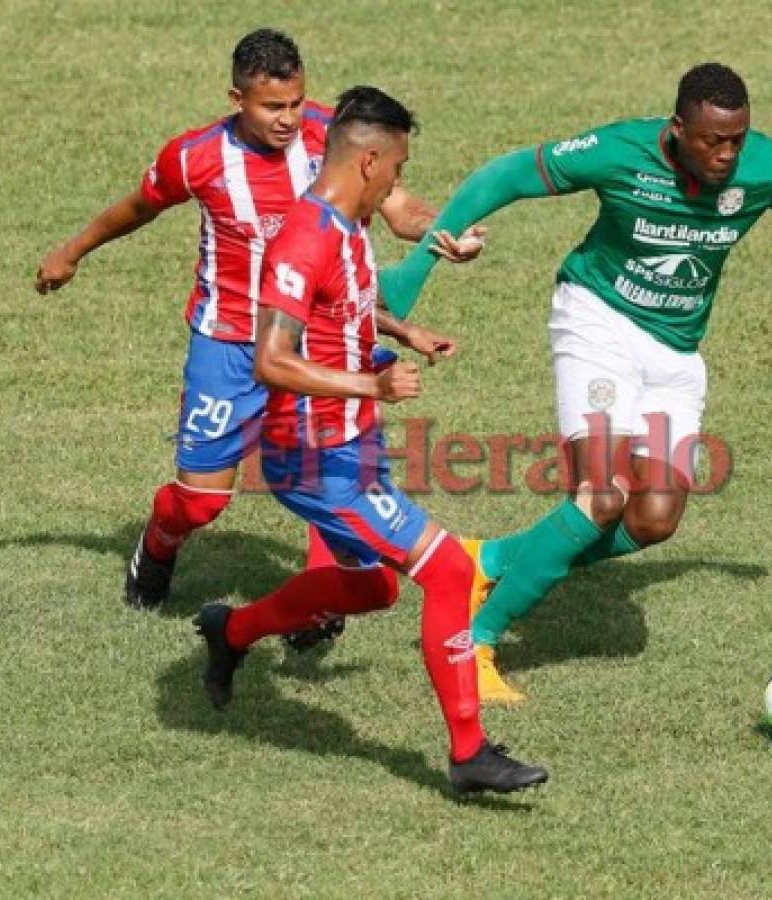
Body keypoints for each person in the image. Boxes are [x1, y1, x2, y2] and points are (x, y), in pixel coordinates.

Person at [380, 63, 772, 702]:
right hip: (596, 324)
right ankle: (475, 641)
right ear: (678, 129)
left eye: (737, 138)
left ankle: (492, 561)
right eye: (712, 140)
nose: (727, 154)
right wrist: (415, 268)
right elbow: (507, 175)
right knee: (601, 496)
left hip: (676, 353)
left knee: (654, 518)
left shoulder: (767, 168)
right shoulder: (620, 151)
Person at [33, 28, 484, 612]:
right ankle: (158, 544)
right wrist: (72, 251)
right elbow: (139, 206)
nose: (289, 119)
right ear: (236, 99)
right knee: (202, 502)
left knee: (331, 469)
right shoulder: (196, 158)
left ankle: (325, 601)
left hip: (311, 341)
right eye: (273, 106)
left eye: (296, 102)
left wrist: (445, 230)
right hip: (229, 344)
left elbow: (398, 207)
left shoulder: (330, 133)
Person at [192, 86, 548, 795]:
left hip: (348, 445)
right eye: (397, 167)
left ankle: (230, 632)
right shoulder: (304, 237)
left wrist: (401, 330)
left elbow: (345, 305)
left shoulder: (346, 225)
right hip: (315, 455)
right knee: (447, 572)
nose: (397, 184)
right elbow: (270, 358)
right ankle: (469, 754)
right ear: (370, 159)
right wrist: (375, 388)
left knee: (373, 587)